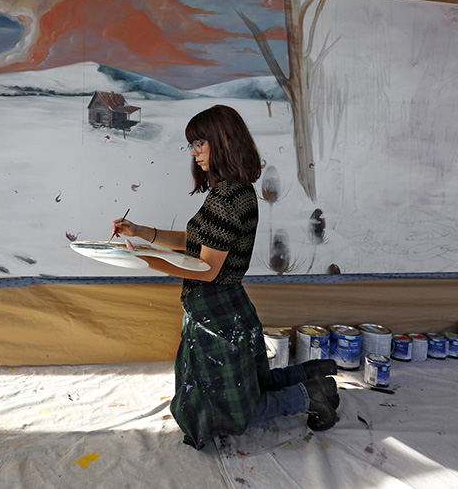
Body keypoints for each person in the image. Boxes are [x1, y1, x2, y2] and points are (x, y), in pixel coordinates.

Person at [112, 105, 339, 450]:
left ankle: (311, 393)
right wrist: (142, 232)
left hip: (216, 314)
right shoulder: (233, 191)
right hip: (227, 307)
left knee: (236, 409)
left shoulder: (228, 198)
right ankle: (316, 373)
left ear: (224, 140)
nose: (195, 152)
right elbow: (198, 241)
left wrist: (144, 259)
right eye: (192, 145)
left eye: (200, 142)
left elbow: (206, 268)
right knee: (252, 382)